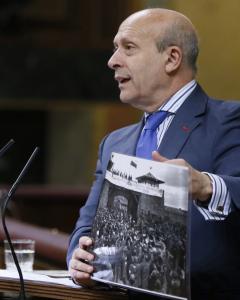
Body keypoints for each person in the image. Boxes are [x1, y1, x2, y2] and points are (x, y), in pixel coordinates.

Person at [67, 8, 240, 300]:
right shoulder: (114, 143)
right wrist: (80, 258)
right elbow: (87, 225)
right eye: (114, 49)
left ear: (171, 58)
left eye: (128, 48)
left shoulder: (230, 120)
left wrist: (206, 186)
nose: (112, 61)